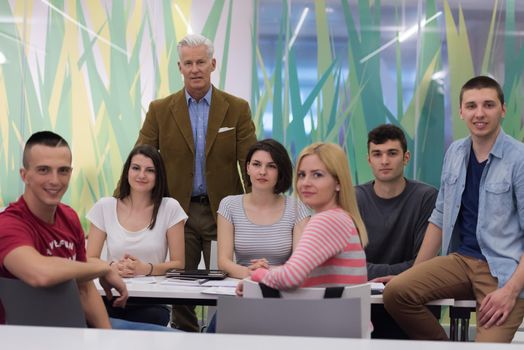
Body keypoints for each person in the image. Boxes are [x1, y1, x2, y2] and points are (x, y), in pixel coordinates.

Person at [383, 76, 524, 342]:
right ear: (461, 111)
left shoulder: (519, 159)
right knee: (396, 293)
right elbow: (438, 217)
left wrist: (511, 291)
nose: (479, 113)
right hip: (460, 260)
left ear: (502, 109)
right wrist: (414, 271)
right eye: (471, 106)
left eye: (488, 105)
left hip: (503, 270)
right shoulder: (455, 153)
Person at [134, 33, 257, 331]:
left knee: (226, 280)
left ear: (213, 64)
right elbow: (141, 157)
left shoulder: (236, 108)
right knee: (179, 284)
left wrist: (257, 211)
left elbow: (250, 162)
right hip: (179, 211)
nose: (195, 69)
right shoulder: (160, 110)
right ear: (180, 67)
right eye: (188, 63)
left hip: (223, 212)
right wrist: (123, 202)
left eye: (201, 61)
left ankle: (221, 333)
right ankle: (185, 336)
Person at [242, 142, 368, 291]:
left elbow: (290, 277)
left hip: (324, 313)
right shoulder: (341, 217)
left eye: (317, 175)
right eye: (302, 175)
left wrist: (256, 275)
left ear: (338, 182)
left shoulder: (326, 220)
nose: (305, 183)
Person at [86, 144, 187, 326]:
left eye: (150, 170)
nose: (141, 175)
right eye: (136, 168)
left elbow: (178, 264)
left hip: (151, 303)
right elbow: (89, 258)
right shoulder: (105, 206)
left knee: (148, 321)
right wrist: (111, 268)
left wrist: (145, 269)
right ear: (127, 171)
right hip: (109, 295)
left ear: (158, 176)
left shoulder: (170, 207)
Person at [356, 124, 438, 338]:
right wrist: (397, 274)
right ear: (369, 160)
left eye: (392, 153)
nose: (384, 161)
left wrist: (386, 276)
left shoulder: (426, 197)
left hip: (411, 299)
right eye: (377, 154)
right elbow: (350, 264)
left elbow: (425, 264)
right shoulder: (354, 198)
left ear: (406, 157)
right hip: (363, 303)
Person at [217, 139, 310, 278]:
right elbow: (223, 262)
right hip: (240, 285)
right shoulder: (229, 205)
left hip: (282, 285)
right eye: (256, 164)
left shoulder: (297, 208)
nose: (262, 172)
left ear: (280, 171)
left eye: (271, 166)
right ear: (248, 167)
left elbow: (300, 264)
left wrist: (264, 272)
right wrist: (248, 273)